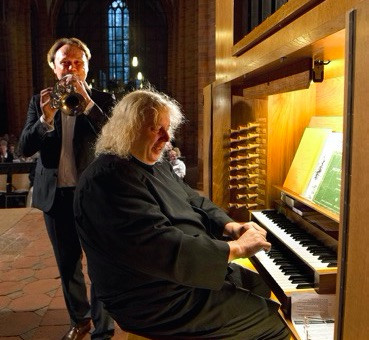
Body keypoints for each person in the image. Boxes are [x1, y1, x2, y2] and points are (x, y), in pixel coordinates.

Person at [73, 89, 290, 340]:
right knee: (278, 323)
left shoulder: (154, 162)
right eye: (156, 129)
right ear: (128, 128)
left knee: (268, 289)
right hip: (153, 298)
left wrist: (230, 226)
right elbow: (160, 247)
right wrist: (236, 249)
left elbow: (191, 198)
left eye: (168, 128)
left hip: (183, 277)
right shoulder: (108, 179)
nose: (166, 138)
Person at [18, 37, 115, 340]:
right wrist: (46, 117)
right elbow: (24, 148)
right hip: (56, 198)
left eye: (78, 62)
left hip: (94, 198)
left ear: (88, 66)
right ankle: (80, 320)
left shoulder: (105, 99)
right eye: (65, 63)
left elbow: (116, 142)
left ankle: (104, 329)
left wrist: (89, 106)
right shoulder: (40, 101)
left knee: (100, 264)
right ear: (54, 67)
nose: (72, 68)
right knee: (68, 264)